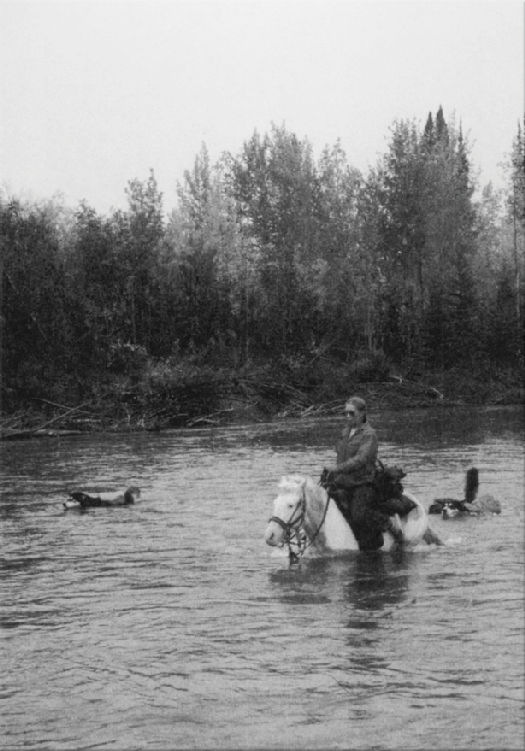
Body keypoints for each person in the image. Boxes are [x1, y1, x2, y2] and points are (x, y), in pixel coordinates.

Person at [321, 396, 404, 551]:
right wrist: (331, 475)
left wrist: (337, 469)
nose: (347, 417)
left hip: (363, 482)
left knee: (359, 514)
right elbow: (341, 458)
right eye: (345, 413)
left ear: (362, 413)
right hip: (343, 481)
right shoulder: (345, 432)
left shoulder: (369, 434)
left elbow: (361, 459)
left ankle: (388, 524)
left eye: (351, 413)